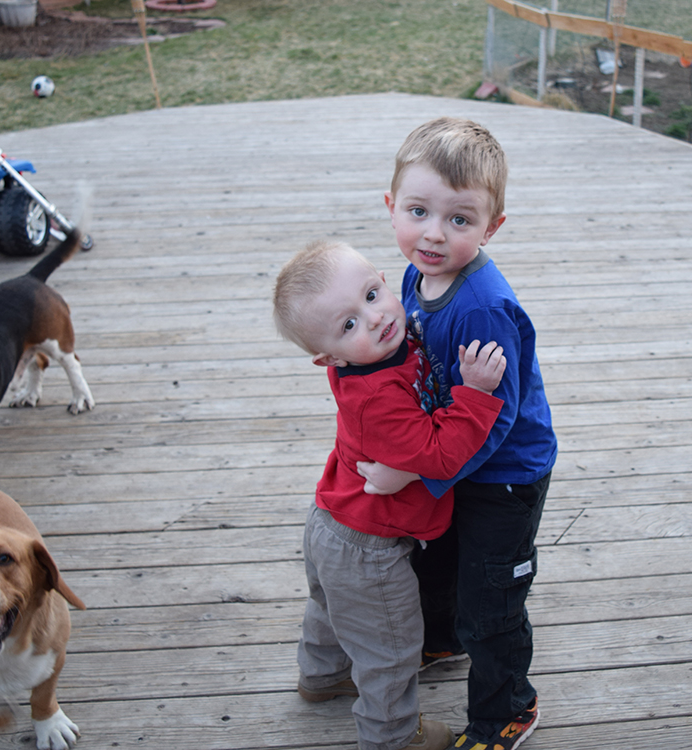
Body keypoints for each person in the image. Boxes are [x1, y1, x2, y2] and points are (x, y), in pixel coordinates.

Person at [363, 117, 558, 750]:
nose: (433, 235)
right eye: (418, 211)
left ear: (491, 226)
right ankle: (442, 638)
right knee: (437, 557)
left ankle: (508, 709)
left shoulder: (481, 309)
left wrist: (420, 469)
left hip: (503, 474)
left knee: (492, 599)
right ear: (392, 206)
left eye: (459, 220)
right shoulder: (417, 277)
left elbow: (498, 420)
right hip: (453, 452)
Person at [273, 239, 508, 750]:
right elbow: (440, 454)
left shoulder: (381, 352)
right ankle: (393, 736)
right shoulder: (375, 397)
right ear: (327, 358)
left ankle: (321, 676)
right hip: (368, 550)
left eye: (373, 294)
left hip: (333, 522)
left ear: (383, 278)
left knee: (331, 609)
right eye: (349, 324)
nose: (375, 318)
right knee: (391, 649)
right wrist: (475, 395)